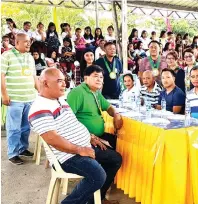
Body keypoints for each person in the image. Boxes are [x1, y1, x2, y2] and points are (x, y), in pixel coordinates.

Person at [30, 68, 122, 204]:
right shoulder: (40, 108)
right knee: (97, 175)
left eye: (64, 81)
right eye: (60, 81)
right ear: (45, 83)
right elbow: (52, 139)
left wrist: (90, 137)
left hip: (81, 147)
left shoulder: (59, 100)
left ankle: (94, 200)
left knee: (115, 159)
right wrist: (79, 149)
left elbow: (73, 124)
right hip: (67, 156)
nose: (64, 84)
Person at [1, 33, 39, 165]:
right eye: (25, 42)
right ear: (17, 42)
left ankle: (23, 149)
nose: (28, 44)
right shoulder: (7, 55)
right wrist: (4, 95)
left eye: (29, 41)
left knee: (26, 127)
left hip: (30, 97)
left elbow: (34, 77)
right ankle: (13, 153)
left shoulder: (29, 57)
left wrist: (40, 93)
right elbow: (1, 76)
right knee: (14, 128)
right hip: (15, 99)